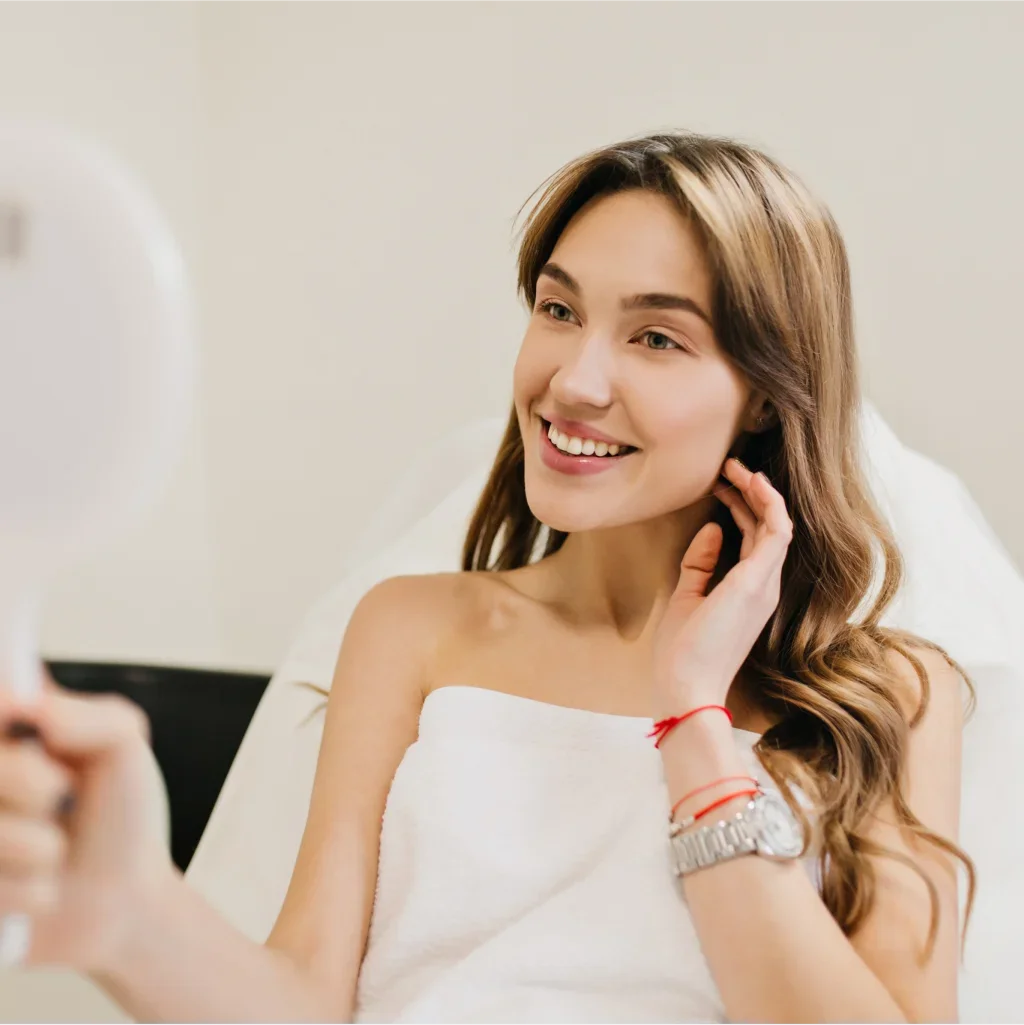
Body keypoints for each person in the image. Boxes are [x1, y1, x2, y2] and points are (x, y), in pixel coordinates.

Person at [0, 132, 972, 1023]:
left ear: (765, 391)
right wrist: (129, 908)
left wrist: (694, 721)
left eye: (655, 337)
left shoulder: (890, 695)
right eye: (558, 309)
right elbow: (300, 1002)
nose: (573, 381)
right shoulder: (413, 629)